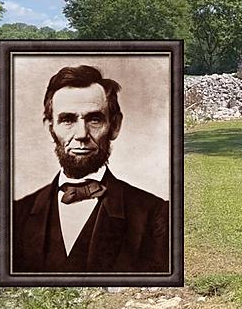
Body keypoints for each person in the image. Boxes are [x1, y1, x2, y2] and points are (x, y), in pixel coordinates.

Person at [12, 65, 170, 273]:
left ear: (114, 126)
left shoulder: (155, 214)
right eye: (67, 120)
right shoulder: (17, 214)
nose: (81, 134)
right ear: (50, 127)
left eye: (94, 119)